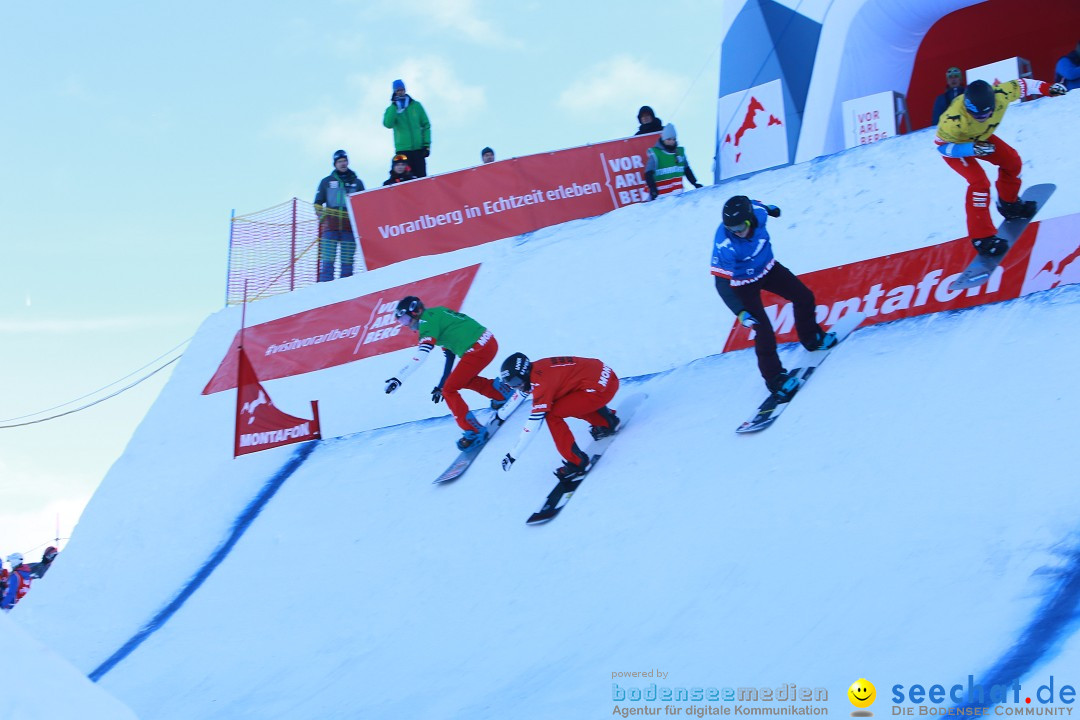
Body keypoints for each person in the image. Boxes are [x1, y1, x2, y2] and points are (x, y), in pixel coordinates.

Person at [712, 195, 837, 396]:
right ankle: (775, 379)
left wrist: (772, 209)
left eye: (741, 227)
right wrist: (741, 312)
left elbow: (762, 206)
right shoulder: (725, 244)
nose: (738, 233)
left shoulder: (758, 213)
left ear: (750, 219)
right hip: (742, 284)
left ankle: (812, 338)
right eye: (733, 229)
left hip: (767, 268)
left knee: (804, 296)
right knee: (764, 331)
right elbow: (721, 284)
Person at [935, 78, 1068, 257]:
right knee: (979, 183)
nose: (983, 118)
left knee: (1012, 161)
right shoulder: (953, 119)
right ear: (967, 109)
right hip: (956, 147)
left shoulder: (1001, 94)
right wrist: (971, 149)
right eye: (977, 116)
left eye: (986, 114)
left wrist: (1047, 88)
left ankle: (1009, 204)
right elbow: (942, 147)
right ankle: (982, 238)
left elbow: (1024, 85)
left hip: (979, 137)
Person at [384, 297, 515, 450]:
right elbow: (450, 355)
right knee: (456, 382)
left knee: (449, 390)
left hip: (478, 350)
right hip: (487, 343)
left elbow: (421, 356)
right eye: (402, 322)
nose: (406, 325)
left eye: (406, 319)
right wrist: (441, 384)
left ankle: (473, 430)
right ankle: (501, 392)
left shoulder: (427, 321)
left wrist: (399, 378)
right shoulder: (436, 313)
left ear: (416, 311)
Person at [498, 353, 621, 482]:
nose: (515, 386)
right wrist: (501, 415)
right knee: (559, 397)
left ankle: (578, 463)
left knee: (551, 414)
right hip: (605, 376)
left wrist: (513, 455)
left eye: (516, 382)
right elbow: (520, 394)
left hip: (601, 390)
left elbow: (533, 424)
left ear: (524, 373)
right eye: (511, 384)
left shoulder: (541, 383)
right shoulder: (537, 367)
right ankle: (606, 421)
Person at [313, 149, 364, 283]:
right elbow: (318, 203)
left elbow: (363, 204)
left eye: (344, 161)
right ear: (335, 164)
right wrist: (323, 217)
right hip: (330, 228)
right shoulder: (326, 182)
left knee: (347, 262)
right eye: (339, 161)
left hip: (349, 228)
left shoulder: (357, 182)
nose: (342, 164)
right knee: (328, 260)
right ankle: (325, 288)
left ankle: (345, 289)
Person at [383, 79, 431, 177]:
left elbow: (426, 125)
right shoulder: (392, 109)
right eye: (398, 90)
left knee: (421, 179)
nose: (400, 92)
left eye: (402, 90)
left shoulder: (416, 105)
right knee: (406, 179)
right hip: (403, 151)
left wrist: (426, 145)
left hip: (418, 150)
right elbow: (388, 124)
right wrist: (394, 106)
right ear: (394, 92)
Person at [644, 124, 703, 200]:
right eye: (669, 139)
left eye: (674, 139)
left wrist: (694, 183)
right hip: (658, 198)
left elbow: (686, 169)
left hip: (676, 197)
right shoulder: (655, 154)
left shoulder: (680, 153)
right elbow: (648, 173)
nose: (672, 142)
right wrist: (652, 188)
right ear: (663, 139)